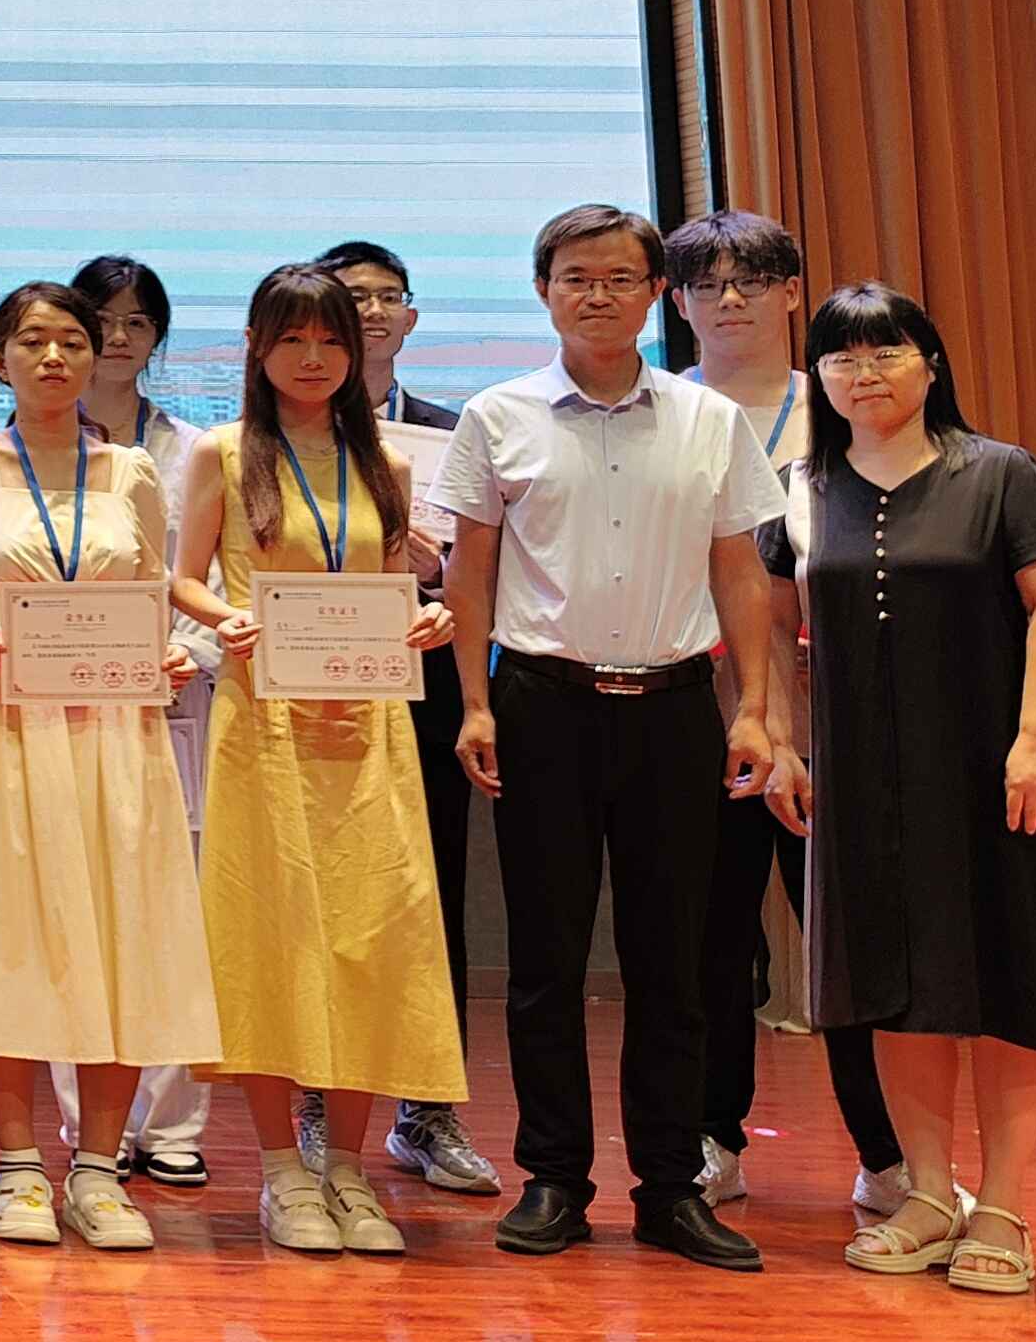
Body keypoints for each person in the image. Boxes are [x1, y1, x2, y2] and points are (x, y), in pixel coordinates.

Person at [434, 202, 787, 1271]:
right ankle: (554, 1179)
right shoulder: (496, 415)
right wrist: (476, 702)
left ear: (655, 295)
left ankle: (671, 1188)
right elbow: (469, 572)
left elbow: (739, 571)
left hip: (676, 709)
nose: (598, 295)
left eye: (620, 278)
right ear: (543, 291)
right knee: (543, 961)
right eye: (576, 277)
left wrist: (756, 707)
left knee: (672, 960)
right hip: (542, 703)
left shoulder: (706, 418)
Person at [769, 286, 1036, 1295]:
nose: (863, 373)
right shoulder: (799, 487)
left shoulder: (999, 473)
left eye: (886, 352)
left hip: (987, 767)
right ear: (819, 375)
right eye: (841, 357)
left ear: (931, 362)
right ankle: (927, 1193)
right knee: (894, 987)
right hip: (857, 777)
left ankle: (1003, 1206)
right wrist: (780, 739)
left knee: (1004, 980)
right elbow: (769, 624)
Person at [168, 267, 466, 1258]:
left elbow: (390, 586)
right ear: (258, 348)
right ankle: (281, 1172)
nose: (312, 358)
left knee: (371, 939)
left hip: (367, 729)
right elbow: (181, 578)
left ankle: (346, 1166)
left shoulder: (386, 460)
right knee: (269, 936)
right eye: (291, 339)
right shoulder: (222, 453)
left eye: (330, 340)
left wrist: (425, 620)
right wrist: (226, 617)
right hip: (263, 726)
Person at [0, 280, 220, 1253]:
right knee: (10, 938)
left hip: (116, 733)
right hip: (5, 725)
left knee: (124, 936)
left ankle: (96, 1170)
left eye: (72, 343)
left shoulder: (132, 470)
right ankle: (16, 1166)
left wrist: (166, 652)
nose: (53, 359)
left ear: (98, 359)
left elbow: (151, 592)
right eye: (32, 342)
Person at [667, 210, 911, 1217]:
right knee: (711, 943)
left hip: (835, 719)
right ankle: (712, 1139)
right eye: (706, 283)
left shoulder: (846, 405)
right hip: (697, 715)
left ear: (790, 294)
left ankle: (889, 1155)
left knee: (848, 940)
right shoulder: (662, 411)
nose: (730, 299)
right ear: (678, 302)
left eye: (752, 279)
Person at [316, 237, 500, 1195]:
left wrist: (439, 569)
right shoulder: (274, 439)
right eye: (354, 297)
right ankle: (320, 1101)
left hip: (423, 685)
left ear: (412, 317)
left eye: (390, 296)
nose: (374, 311)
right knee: (321, 896)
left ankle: (428, 1110)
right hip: (311, 689)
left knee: (429, 893)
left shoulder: (455, 433)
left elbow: (494, 568)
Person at [62, 250, 216, 1191]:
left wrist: (182, 657)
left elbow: (214, 574)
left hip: (174, 701)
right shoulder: (19, 450)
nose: (116, 338)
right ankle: (91, 1126)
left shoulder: (197, 450)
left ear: (157, 338)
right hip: (60, 707)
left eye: (136, 322)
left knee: (177, 916)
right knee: (72, 917)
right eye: (100, 320)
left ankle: (176, 1123)